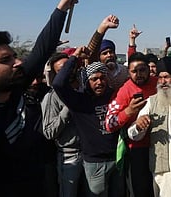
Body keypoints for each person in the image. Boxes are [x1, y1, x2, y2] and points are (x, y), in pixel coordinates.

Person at [0, 0, 78, 197]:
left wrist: (62, 8)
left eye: (14, 56)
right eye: (5, 60)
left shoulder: (14, 87)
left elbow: (41, 49)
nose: (17, 63)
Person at [52, 47, 123, 197]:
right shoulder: (79, 100)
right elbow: (58, 84)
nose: (99, 82)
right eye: (94, 79)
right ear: (86, 81)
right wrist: (74, 58)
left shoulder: (114, 95)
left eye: (102, 78)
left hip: (117, 159)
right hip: (95, 163)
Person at [127, 57, 171, 197]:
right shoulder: (151, 102)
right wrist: (138, 126)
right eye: (160, 77)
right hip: (162, 167)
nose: (162, 81)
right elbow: (133, 134)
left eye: (166, 77)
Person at [105, 52, 158, 197]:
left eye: (142, 70)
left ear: (149, 69)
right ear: (129, 72)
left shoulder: (159, 83)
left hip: (160, 145)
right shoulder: (124, 91)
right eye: (134, 71)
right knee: (141, 190)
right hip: (137, 149)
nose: (139, 74)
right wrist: (129, 111)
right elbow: (109, 124)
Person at [42, 51, 86, 197]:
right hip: (69, 156)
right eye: (62, 70)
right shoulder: (52, 97)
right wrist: (67, 109)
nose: (68, 71)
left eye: (70, 66)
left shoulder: (84, 90)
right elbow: (49, 132)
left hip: (90, 155)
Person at [86, 15, 129, 90]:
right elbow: (90, 54)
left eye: (111, 52)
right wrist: (103, 28)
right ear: (99, 57)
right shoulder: (97, 70)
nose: (109, 55)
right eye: (105, 53)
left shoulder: (124, 70)